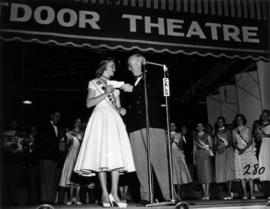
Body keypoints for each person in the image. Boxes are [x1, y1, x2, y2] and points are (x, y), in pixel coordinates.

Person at [74, 57, 135, 208]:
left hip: (114, 120)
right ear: (104, 68)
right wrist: (105, 93)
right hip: (100, 118)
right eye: (112, 66)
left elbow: (118, 107)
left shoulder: (115, 85)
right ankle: (104, 193)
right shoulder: (93, 82)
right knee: (101, 155)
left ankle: (114, 193)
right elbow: (89, 103)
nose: (114, 69)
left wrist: (121, 110)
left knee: (115, 156)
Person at [122, 54, 170, 205]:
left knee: (159, 161)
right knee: (140, 163)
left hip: (153, 124)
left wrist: (134, 90)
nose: (129, 69)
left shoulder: (156, 75)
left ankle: (169, 195)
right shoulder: (133, 82)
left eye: (131, 65)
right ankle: (146, 196)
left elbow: (160, 93)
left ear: (140, 62)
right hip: (135, 126)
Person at [36, 111, 61, 204]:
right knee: (44, 178)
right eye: (56, 116)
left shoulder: (58, 128)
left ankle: (50, 199)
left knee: (51, 179)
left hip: (54, 158)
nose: (57, 118)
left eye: (59, 116)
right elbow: (40, 141)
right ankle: (44, 199)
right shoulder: (44, 126)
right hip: (45, 156)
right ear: (52, 116)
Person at [232, 114, 258, 200]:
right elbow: (233, 142)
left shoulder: (248, 129)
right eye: (238, 119)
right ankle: (245, 194)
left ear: (243, 120)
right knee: (242, 174)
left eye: (241, 119)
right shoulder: (234, 131)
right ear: (236, 121)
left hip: (247, 151)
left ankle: (252, 193)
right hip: (239, 152)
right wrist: (239, 149)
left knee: (249, 173)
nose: (239, 121)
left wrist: (245, 149)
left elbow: (250, 141)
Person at [59, 118, 84, 205]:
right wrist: (70, 141)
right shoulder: (69, 132)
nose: (78, 123)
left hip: (79, 154)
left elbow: (84, 143)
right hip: (71, 154)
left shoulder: (82, 133)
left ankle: (77, 197)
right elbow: (65, 145)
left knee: (78, 176)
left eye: (80, 122)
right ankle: (70, 197)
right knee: (71, 174)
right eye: (77, 121)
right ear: (74, 123)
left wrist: (79, 138)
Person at [214, 116, 235, 200]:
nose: (220, 123)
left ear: (224, 122)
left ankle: (229, 193)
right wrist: (217, 148)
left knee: (229, 171)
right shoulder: (216, 133)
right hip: (220, 153)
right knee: (223, 173)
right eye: (218, 121)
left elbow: (231, 142)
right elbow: (215, 144)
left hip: (228, 151)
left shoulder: (228, 131)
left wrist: (225, 148)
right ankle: (229, 191)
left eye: (221, 121)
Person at [170, 122, 192, 201]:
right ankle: (173, 194)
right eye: (171, 125)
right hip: (170, 156)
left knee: (179, 175)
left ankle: (178, 194)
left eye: (173, 125)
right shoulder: (166, 135)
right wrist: (170, 142)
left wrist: (175, 142)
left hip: (178, 155)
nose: (172, 127)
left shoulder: (179, 135)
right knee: (171, 175)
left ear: (175, 127)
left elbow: (182, 146)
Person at [193, 122, 214, 200]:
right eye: (198, 126)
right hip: (198, 155)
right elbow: (194, 148)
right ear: (196, 127)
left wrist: (207, 147)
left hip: (205, 154)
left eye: (201, 125)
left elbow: (212, 147)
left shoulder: (207, 135)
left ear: (203, 127)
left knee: (206, 173)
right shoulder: (195, 137)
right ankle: (205, 192)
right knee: (201, 174)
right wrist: (194, 159)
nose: (199, 127)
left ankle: (207, 192)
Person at [257, 109, 270, 200]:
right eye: (263, 115)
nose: (264, 117)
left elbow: (266, 135)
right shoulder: (259, 126)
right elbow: (258, 139)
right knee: (264, 168)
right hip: (263, 147)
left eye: (266, 115)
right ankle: (267, 192)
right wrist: (258, 133)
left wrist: (265, 134)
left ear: (269, 116)